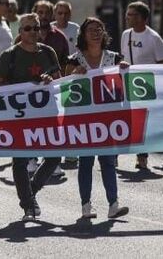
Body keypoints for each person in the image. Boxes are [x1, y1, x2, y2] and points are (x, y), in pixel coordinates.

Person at [0, 13, 62, 221]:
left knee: (54, 156)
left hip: (47, 114)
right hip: (20, 117)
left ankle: (30, 191)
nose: (33, 32)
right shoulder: (10, 55)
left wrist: (50, 80)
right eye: (28, 28)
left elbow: (59, 82)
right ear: (20, 32)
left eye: (36, 28)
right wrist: (19, 89)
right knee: (20, 160)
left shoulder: (48, 52)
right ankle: (28, 205)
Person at [66, 17, 129, 219]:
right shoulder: (74, 60)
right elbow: (65, 92)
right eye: (91, 29)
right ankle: (86, 205)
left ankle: (113, 204)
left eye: (99, 29)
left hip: (107, 120)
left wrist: (127, 71)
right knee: (85, 162)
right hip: (84, 120)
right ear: (83, 35)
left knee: (108, 161)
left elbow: (123, 88)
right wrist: (75, 75)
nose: (96, 32)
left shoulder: (115, 58)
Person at [120, 1, 163, 170]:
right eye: (127, 14)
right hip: (128, 83)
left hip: (148, 87)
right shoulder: (126, 34)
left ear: (142, 18)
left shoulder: (153, 38)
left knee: (147, 121)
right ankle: (114, 153)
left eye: (131, 14)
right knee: (126, 118)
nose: (127, 17)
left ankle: (142, 156)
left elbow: (161, 64)